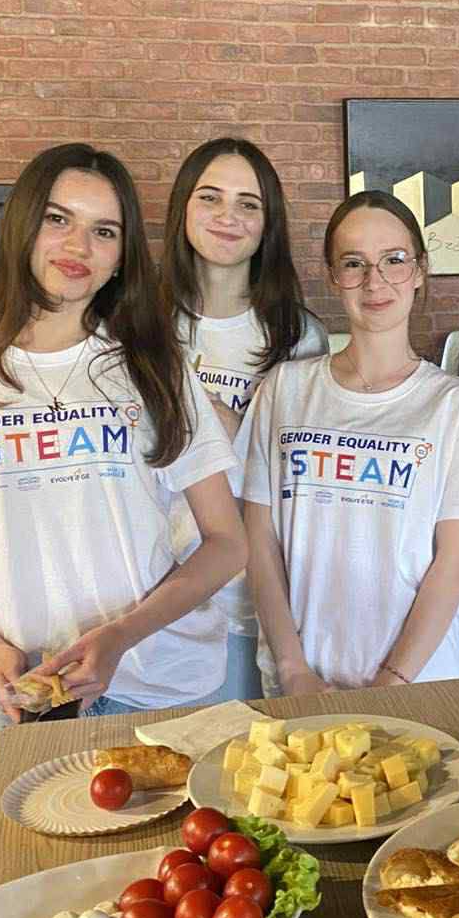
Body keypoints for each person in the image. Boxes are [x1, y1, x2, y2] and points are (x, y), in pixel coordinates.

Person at [0, 143, 248, 770]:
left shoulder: (155, 368)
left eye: (104, 231)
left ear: (121, 257)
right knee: (31, 836)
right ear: (22, 226)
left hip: (158, 687)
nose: (78, 246)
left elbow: (227, 542)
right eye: (58, 219)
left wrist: (121, 635)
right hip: (25, 691)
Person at [244, 190, 459, 693]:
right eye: (354, 263)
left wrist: (391, 683)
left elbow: (455, 562)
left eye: (394, 260)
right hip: (301, 684)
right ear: (333, 276)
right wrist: (292, 669)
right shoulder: (285, 389)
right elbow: (260, 542)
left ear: (420, 270)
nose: (375, 281)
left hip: (418, 684)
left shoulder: (457, 404)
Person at [161, 137, 327, 701]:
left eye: (248, 203)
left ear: (267, 222)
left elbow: (299, 476)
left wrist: (225, 425)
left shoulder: (298, 335)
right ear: (184, 207)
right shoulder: (139, 323)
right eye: (210, 197)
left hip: (247, 597)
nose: (227, 216)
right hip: (151, 594)